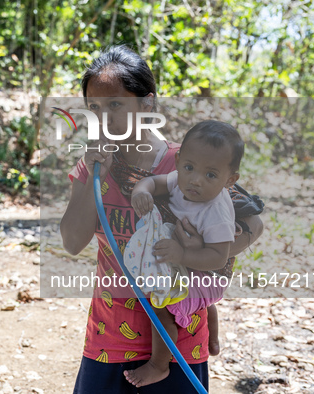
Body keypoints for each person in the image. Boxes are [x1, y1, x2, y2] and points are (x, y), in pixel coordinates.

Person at [60, 45, 263, 394]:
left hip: (177, 342)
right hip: (110, 333)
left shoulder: (186, 165)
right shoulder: (91, 168)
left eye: (115, 105)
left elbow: (253, 224)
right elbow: (72, 242)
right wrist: (97, 173)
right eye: (94, 107)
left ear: (147, 105)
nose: (104, 118)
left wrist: (203, 250)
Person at [124, 120, 244, 387]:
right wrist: (141, 191)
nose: (196, 180)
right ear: (178, 161)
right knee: (184, 294)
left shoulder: (216, 212)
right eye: (189, 168)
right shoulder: (182, 179)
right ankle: (211, 329)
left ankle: (159, 365)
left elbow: (218, 258)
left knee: (163, 305)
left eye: (211, 175)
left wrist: (181, 255)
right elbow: (154, 183)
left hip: (209, 274)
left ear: (230, 180)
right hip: (192, 265)